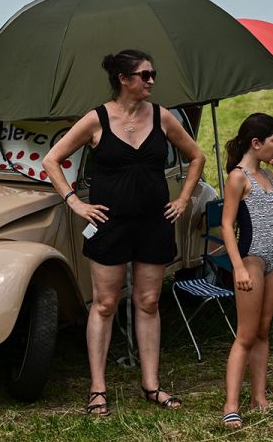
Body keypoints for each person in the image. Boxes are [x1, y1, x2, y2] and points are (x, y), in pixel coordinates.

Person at [43, 50, 206, 416]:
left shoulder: (162, 116)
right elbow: (52, 160)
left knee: (149, 302)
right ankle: (97, 389)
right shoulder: (96, 119)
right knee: (104, 305)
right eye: (144, 75)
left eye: (153, 74)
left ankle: (151, 385)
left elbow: (197, 156)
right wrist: (75, 202)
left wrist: (183, 199)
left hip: (153, 223)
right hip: (109, 225)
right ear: (123, 79)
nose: (151, 81)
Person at [219, 113, 273, 428]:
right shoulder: (238, 178)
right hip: (252, 258)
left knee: (264, 330)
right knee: (246, 334)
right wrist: (238, 267)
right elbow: (227, 226)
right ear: (256, 143)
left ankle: (259, 397)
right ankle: (231, 404)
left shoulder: (268, 177)